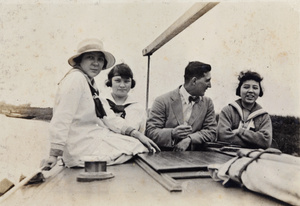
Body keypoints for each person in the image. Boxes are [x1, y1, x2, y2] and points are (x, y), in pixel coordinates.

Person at [45, 38, 160, 169]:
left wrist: (136, 134)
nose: (96, 63)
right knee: (138, 148)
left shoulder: (88, 82)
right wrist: (54, 154)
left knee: (138, 144)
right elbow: (62, 117)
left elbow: (107, 117)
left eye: (100, 59)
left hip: (89, 139)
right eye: (90, 58)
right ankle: (81, 162)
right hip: (80, 145)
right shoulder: (75, 79)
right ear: (80, 60)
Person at [146, 61, 217, 151]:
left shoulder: (207, 103)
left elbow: (212, 131)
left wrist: (190, 139)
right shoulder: (162, 101)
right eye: (207, 80)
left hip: (195, 158)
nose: (210, 85)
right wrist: (172, 133)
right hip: (164, 157)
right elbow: (151, 132)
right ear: (194, 81)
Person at [217, 70, 272, 149]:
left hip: (252, 157)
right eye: (246, 87)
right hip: (226, 154)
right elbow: (222, 136)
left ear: (260, 91)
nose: (250, 91)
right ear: (239, 89)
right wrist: (255, 143)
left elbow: (266, 141)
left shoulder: (264, 116)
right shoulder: (228, 111)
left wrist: (240, 132)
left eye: (255, 88)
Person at [105, 63, 147, 133]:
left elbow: (142, 133)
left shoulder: (139, 109)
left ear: (132, 83)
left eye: (126, 81)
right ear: (110, 82)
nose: (122, 85)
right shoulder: (101, 103)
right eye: (117, 81)